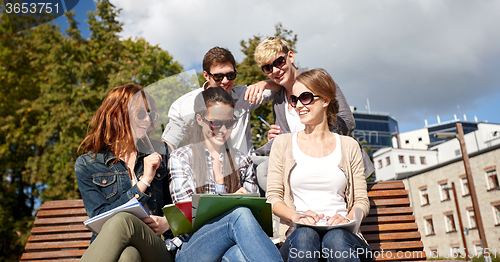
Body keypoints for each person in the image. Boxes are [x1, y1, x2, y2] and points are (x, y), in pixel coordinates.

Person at [266, 69, 372, 262]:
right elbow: (273, 198)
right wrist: (295, 216)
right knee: (306, 234)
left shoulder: (349, 146)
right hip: (298, 238)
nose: (299, 105)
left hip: (345, 237)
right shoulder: (282, 144)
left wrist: (348, 219)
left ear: (325, 100)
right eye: (294, 100)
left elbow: (361, 201)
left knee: (336, 237)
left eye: (305, 98)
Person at [168, 87, 283, 262]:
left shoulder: (242, 160)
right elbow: (187, 215)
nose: (223, 129)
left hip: (232, 245)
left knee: (239, 255)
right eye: (215, 123)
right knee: (240, 213)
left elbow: (257, 218)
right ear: (200, 119)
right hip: (192, 247)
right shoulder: (182, 157)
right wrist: (231, 203)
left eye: (229, 123)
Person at [253, 37, 374, 191]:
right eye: (268, 68)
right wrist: (268, 145)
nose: (275, 70)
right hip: (304, 170)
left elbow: (347, 122)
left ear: (290, 56)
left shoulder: (317, 79)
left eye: (279, 62)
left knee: (264, 172)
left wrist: (305, 137)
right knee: (258, 168)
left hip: (336, 166)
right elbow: (286, 141)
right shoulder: (278, 100)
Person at [75, 84, 174, 262]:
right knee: (128, 256)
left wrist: (167, 223)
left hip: (157, 247)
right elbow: (100, 219)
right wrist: (144, 182)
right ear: (118, 115)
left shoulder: (161, 153)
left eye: (151, 115)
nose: (148, 121)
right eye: (142, 114)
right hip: (118, 250)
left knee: (123, 221)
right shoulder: (88, 164)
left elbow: (180, 204)